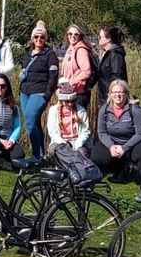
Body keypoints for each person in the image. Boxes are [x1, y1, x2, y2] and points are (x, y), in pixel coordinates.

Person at [91, 79, 141, 202]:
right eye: (114, 92)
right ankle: (121, 170)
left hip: (134, 141)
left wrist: (124, 148)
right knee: (97, 155)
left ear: (126, 94)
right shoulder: (104, 109)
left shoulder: (135, 109)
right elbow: (102, 132)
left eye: (120, 92)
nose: (117, 95)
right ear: (110, 94)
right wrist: (111, 146)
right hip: (114, 142)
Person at [19, 20, 59, 161]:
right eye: (36, 37)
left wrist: (48, 94)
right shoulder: (27, 54)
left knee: (30, 121)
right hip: (25, 92)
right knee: (34, 122)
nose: (39, 40)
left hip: (40, 91)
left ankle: (36, 155)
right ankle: (41, 154)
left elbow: (53, 76)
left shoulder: (50, 54)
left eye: (42, 37)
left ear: (45, 39)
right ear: (32, 39)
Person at [48, 81, 91, 151]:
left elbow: (85, 131)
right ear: (61, 100)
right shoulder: (53, 111)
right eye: (67, 102)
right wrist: (64, 144)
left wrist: (78, 144)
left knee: (81, 152)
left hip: (77, 141)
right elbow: (52, 132)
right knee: (58, 151)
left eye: (72, 101)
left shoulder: (81, 111)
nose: (70, 104)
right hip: (60, 142)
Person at [59, 23, 94, 108]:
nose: (73, 36)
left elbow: (86, 71)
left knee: (78, 119)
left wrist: (71, 83)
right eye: (70, 34)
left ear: (80, 36)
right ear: (67, 35)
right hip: (69, 92)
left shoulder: (81, 50)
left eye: (76, 34)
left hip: (79, 93)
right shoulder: (70, 49)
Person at [97, 25, 128, 103]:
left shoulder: (115, 54)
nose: (98, 39)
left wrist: (112, 95)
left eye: (100, 37)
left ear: (108, 39)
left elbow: (117, 77)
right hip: (105, 96)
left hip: (112, 98)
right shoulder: (105, 54)